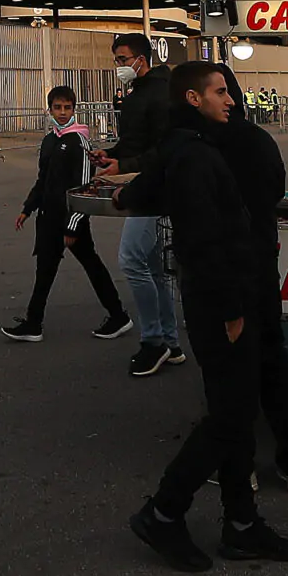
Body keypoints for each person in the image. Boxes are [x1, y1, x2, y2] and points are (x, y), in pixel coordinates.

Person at [121, 60, 288, 571]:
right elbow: (206, 239)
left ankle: (242, 524)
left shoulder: (186, 149)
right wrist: (230, 308)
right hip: (227, 298)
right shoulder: (197, 157)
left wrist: (123, 189)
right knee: (229, 416)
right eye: (221, 92)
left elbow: (144, 190)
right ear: (193, 99)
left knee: (237, 412)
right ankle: (163, 512)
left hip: (232, 293)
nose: (232, 100)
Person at [214, 67, 288, 495]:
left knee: (229, 370)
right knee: (273, 360)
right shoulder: (258, 138)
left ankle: (240, 466)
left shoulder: (204, 144)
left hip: (221, 267)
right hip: (260, 258)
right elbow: (276, 189)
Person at [4, 85, 130, 342]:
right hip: (47, 218)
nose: (62, 113)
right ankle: (34, 323)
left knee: (91, 265)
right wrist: (28, 208)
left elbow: (83, 186)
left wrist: (73, 226)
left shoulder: (78, 141)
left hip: (72, 218)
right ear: (49, 109)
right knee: (46, 269)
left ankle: (118, 316)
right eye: (57, 108)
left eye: (67, 108)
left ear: (74, 109)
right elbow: (43, 179)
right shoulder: (49, 140)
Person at [105, 34, 182, 377]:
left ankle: (154, 341)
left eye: (123, 60)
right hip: (147, 183)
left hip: (152, 189)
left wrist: (123, 165)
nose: (119, 67)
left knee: (132, 259)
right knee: (154, 269)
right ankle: (170, 341)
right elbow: (136, 141)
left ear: (140, 58)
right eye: (117, 60)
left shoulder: (160, 93)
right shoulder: (142, 91)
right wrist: (114, 155)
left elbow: (162, 148)